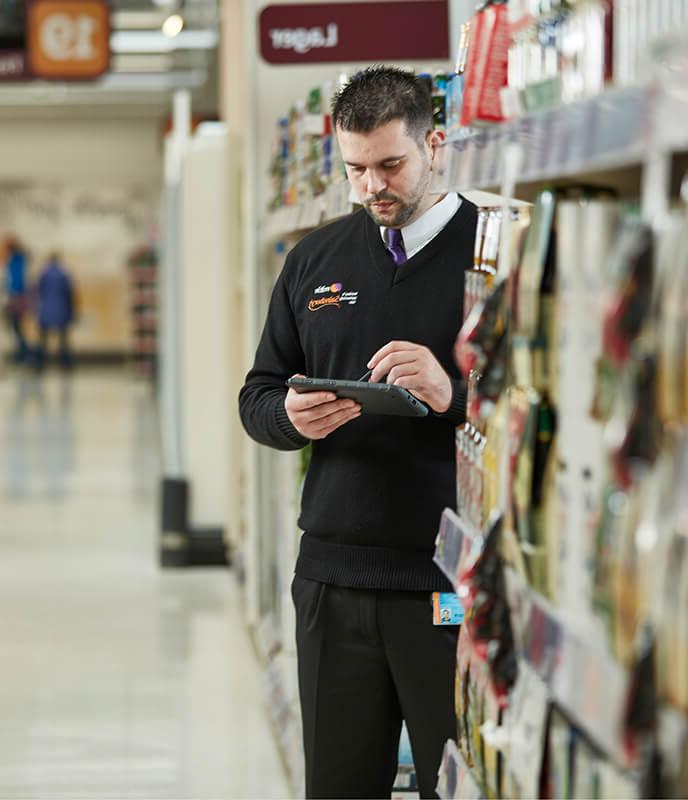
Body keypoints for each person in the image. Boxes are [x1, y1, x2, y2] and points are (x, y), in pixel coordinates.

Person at [239, 66, 478, 799]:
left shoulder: (491, 254)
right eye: (354, 169)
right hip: (331, 582)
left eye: (390, 165)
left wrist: (453, 393)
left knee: (456, 783)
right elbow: (257, 395)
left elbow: (539, 415)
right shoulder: (314, 260)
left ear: (435, 143)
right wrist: (288, 417)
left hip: (445, 587)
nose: (372, 186)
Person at [35, 252, 75, 370]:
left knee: (43, 339)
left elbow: (39, 291)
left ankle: (39, 364)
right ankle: (66, 364)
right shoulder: (64, 274)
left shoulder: (43, 274)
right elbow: (70, 294)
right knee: (63, 339)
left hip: (46, 309)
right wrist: (71, 310)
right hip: (61, 309)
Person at [2, 236, 32, 364]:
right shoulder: (18, 260)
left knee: (16, 327)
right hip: (18, 297)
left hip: (16, 298)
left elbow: (16, 281)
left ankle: (24, 353)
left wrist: (11, 294)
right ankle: (23, 352)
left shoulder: (16, 260)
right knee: (16, 328)